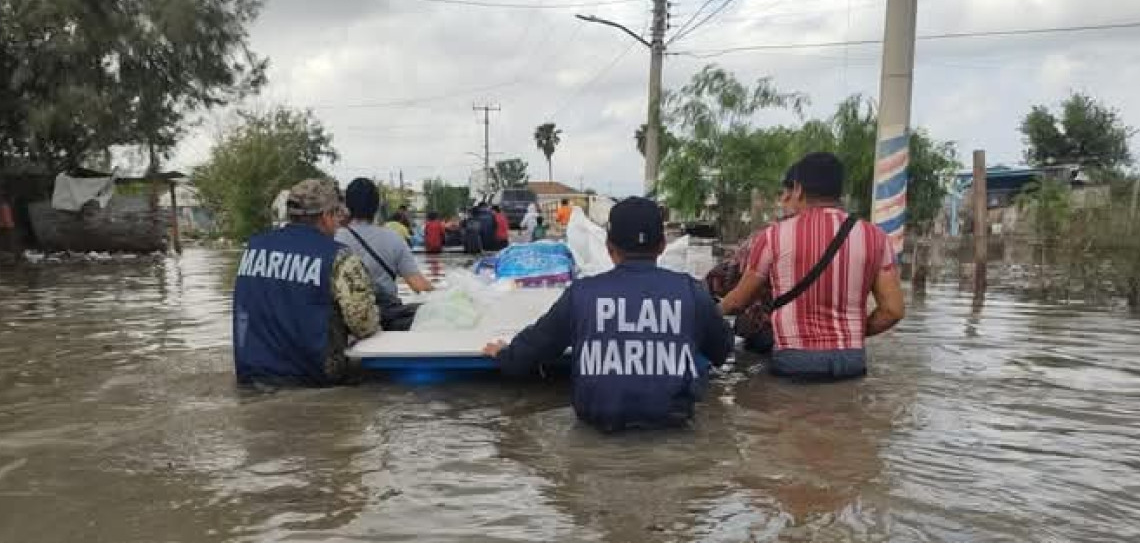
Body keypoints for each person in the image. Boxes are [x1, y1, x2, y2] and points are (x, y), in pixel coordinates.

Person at [483, 197, 734, 432]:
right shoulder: (691, 292)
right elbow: (722, 350)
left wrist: (505, 353)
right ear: (662, 246)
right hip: (673, 431)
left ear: (608, 247)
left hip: (597, 433)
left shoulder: (581, 294)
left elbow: (534, 348)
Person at [719, 152, 905, 380]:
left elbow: (738, 300)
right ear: (839, 191)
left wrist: (707, 313)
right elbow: (893, 310)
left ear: (797, 188)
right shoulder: (876, 237)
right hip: (851, 360)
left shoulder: (773, 236)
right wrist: (851, 333)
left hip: (795, 358)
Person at [232, 179, 380, 386]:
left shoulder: (253, 247)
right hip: (310, 380)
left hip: (252, 376)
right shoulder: (339, 256)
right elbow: (364, 324)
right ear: (327, 216)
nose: (339, 222)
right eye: (337, 214)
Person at [337, 178, 435, 331]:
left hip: (345, 322)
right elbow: (419, 286)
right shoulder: (393, 238)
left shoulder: (334, 239)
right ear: (377, 206)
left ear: (346, 206)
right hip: (385, 320)